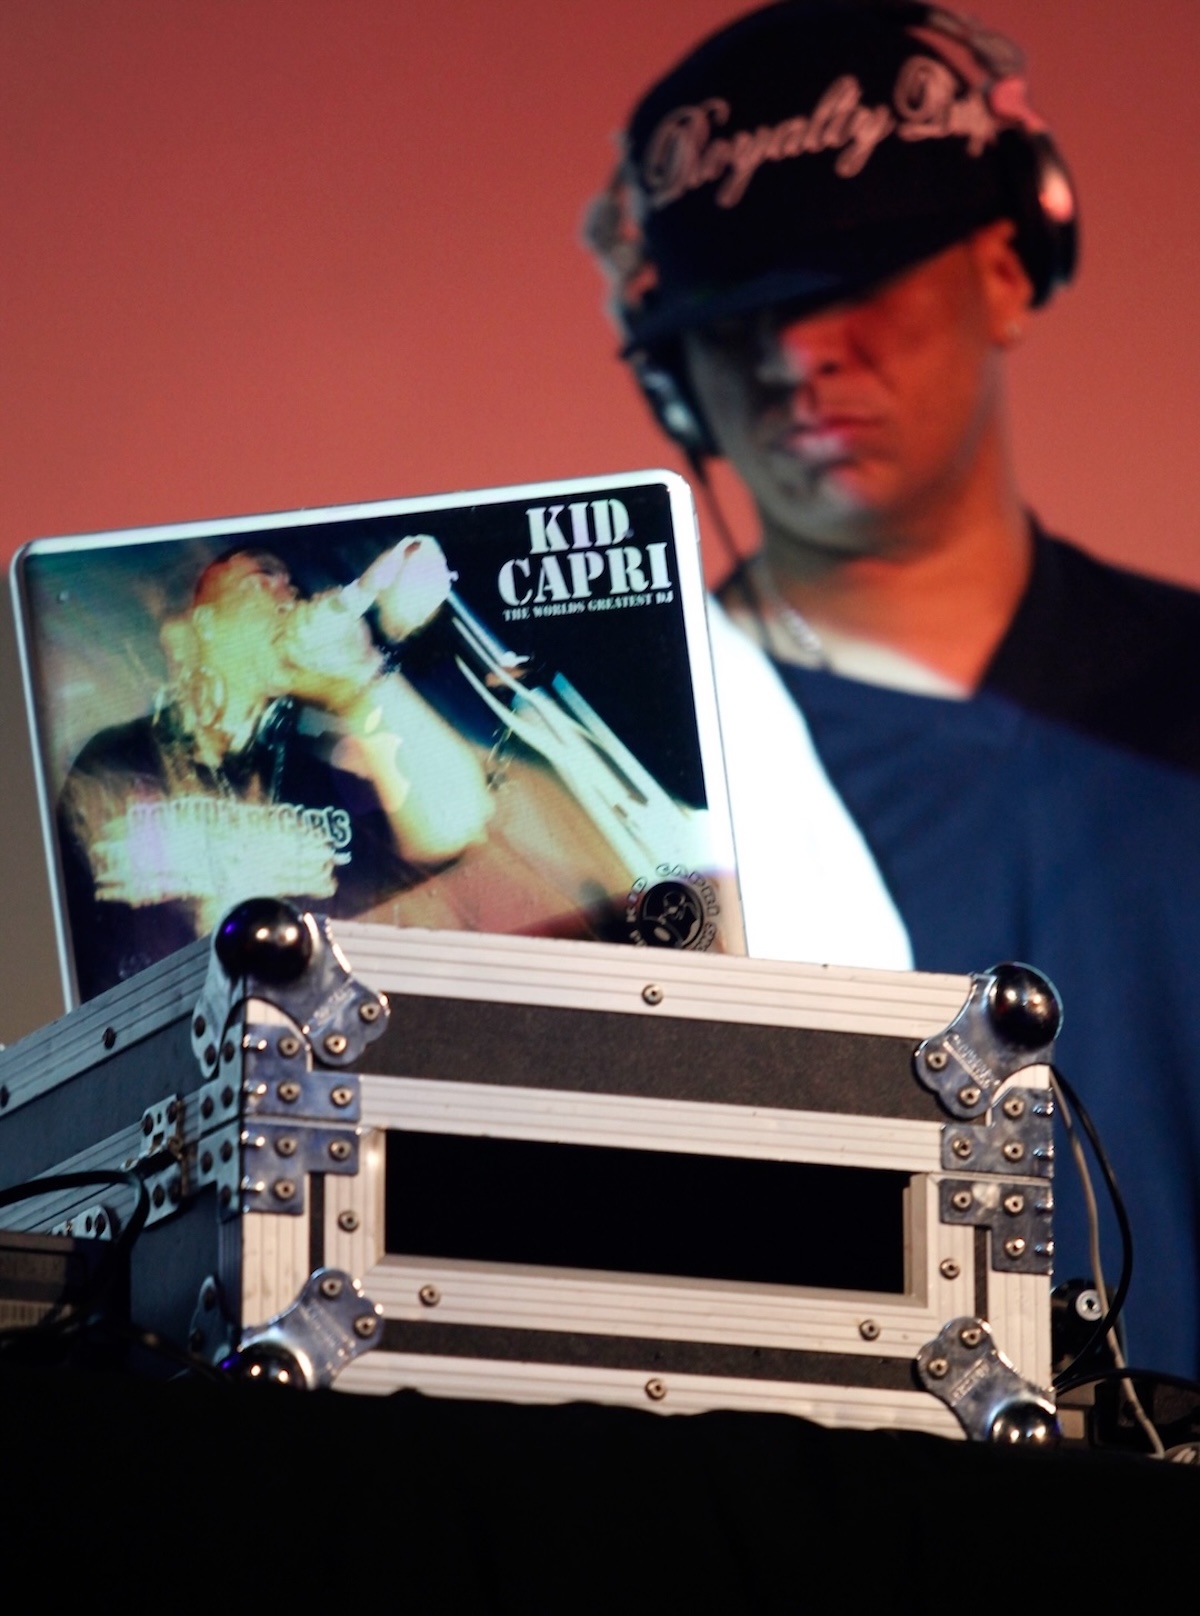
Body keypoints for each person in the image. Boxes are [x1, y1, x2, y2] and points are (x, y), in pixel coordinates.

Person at [588, 0, 1200, 1381]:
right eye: (739, 314)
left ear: (1007, 265)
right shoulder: (642, 772)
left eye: (851, 280)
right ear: (673, 379)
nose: (799, 357)